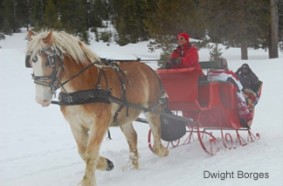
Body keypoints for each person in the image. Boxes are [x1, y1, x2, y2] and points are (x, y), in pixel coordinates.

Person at [207, 57, 253, 126]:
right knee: (251, 99)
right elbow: (240, 87)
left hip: (214, 103)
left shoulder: (209, 75)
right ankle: (246, 122)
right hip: (229, 103)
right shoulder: (228, 76)